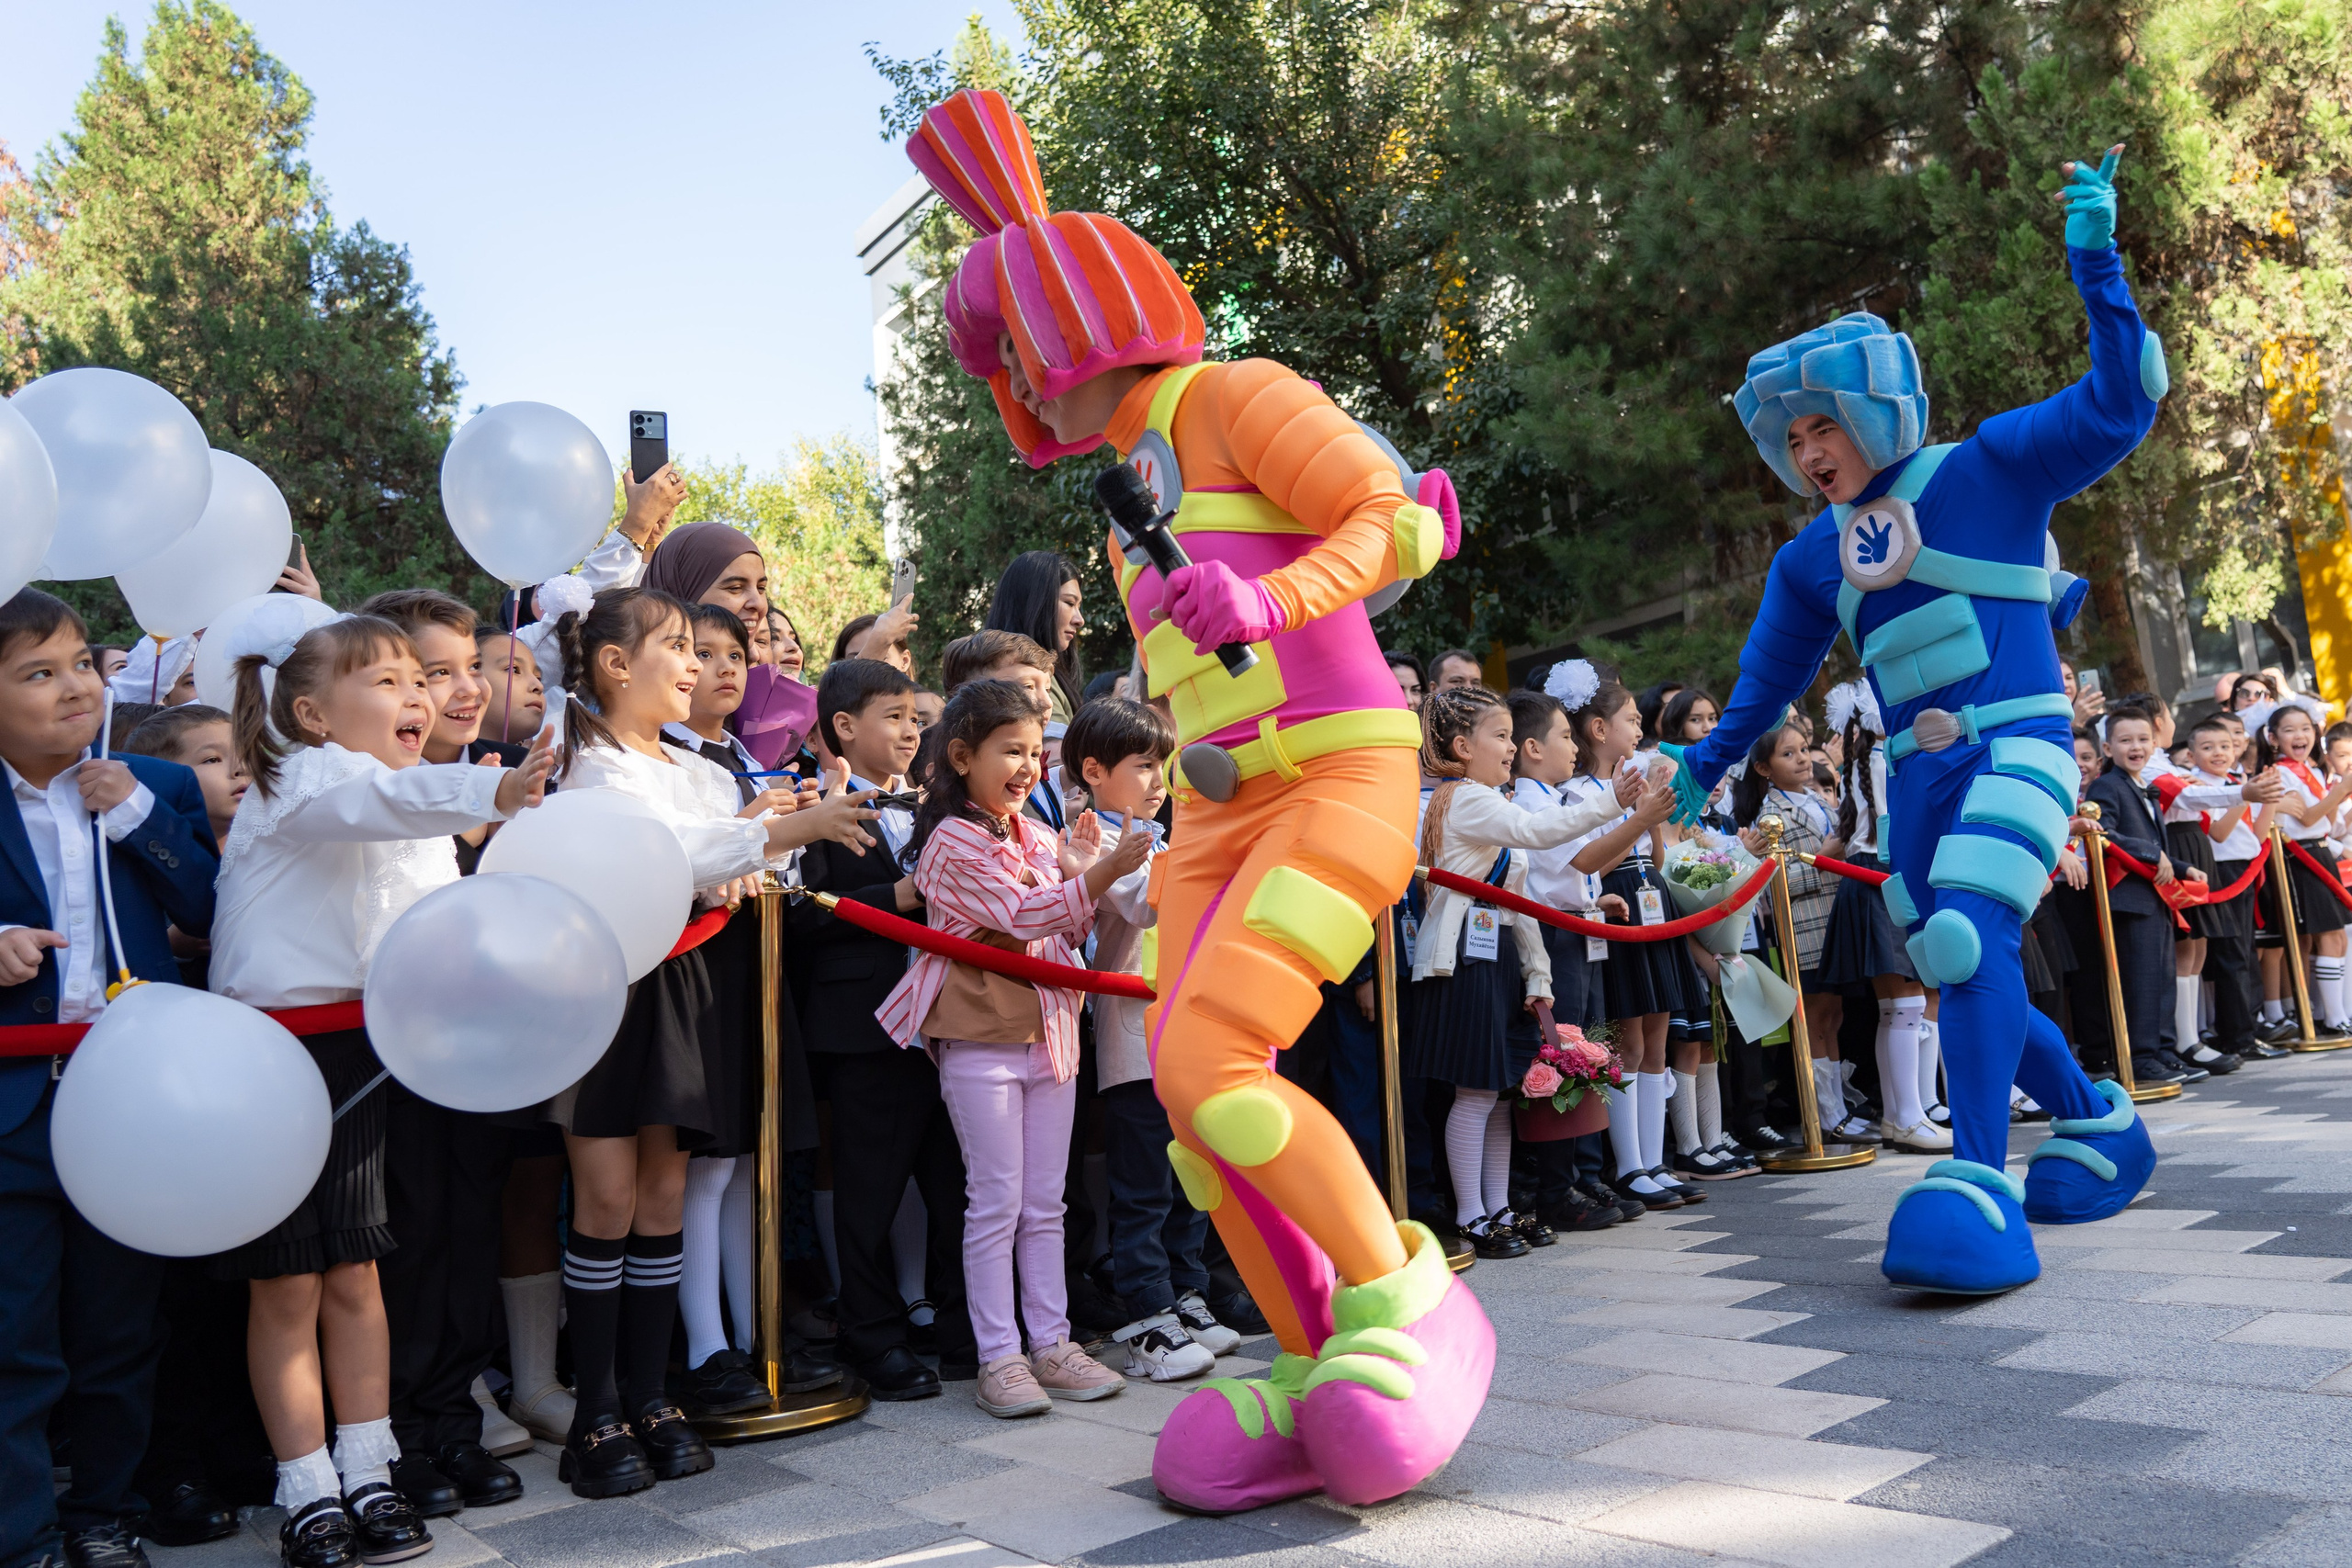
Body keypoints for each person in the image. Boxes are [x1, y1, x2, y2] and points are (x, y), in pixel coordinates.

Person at [909, 85, 1484, 1510]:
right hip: (1219, 813)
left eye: (1016, 347)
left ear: (1070, 322)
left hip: (1346, 770)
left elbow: (1404, 515)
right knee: (1186, 1096)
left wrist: (1270, 590)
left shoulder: (1237, 394)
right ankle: (1308, 1364)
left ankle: (1404, 1308)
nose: (1017, 384)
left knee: (1219, 1054)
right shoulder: (1126, 491)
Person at [1664, 145, 2165, 1293]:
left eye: (1818, 429)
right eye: (1789, 441)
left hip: (2023, 746)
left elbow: (2121, 397)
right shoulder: (1810, 560)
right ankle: (2095, 1123)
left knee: (1959, 945)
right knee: (1958, 971)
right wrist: (1705, 765)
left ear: (1868, 410)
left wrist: (2097, 263)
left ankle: (1977, 1188)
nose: (1806, 454)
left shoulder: (1984, 467)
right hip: (1918, 782)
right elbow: (1763, 684)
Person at [210, 606, 555, 1568]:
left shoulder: (412, 802)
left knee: (355, 1272)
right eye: (390, 681)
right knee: (287, 1284)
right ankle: (308, 1489)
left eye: (422, 679)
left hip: (360, 1056)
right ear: (315, 715)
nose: (419, 695)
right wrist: (498, 787)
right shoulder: (303, 781)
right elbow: (373, 806)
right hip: (277, 1059)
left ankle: (370, 1469)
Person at [534, 587, 876, 1499]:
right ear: (615, 665)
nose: (697, 665)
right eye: (678, 648)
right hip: (612, 993)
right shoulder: (590, 765)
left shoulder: (698, 772)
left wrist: (771, 835)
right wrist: (775, 833)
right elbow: (669, 860)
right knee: (605, 1200)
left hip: (689, 990)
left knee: (661, 1193)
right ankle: (595, 1413)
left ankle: (653, 1399)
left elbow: (733, 853)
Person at [0, 592, 222, 1568]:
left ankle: (104, 1516)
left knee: (120, 1327)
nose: (75, 688)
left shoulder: (154, 783)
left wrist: (135, 817)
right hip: (16, 1104)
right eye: (37, 674)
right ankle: (26, 1535)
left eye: (84, 664)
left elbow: (208, 905)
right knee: (18, 1336)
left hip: (132, 1100)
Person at [876, 679, 1147, 1416]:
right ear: (961, 756)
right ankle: (1001, 1356)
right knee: (995, 1200)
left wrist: (1078, 865)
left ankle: (1052, 1342)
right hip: (978, 1036)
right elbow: (1023, 915)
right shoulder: (947, 840)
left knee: (1045, 1202)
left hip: (1051, 1034)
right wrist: (1095, 871)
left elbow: (1065, 931)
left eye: (1035, 751)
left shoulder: (1034, 832)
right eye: (1010, 750)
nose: (1027, 765)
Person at [346, 591, 536, 1517]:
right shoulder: (363, 790)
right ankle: (406, 1436)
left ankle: (454, 1419)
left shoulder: (505, 779)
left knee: (470, 1231)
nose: (461, 689)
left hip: (483, 1048)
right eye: (431, 673)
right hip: (387, 1058)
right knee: (408, 1242)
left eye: (470, 667)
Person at [665, 604, 842, 1418]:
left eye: (738, 653)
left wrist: (797, 824)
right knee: (707, 1163)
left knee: (744, 1163)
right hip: (693, 965)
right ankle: (705, 1347)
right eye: (703, 653)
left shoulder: (743, 754)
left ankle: (754, 1330)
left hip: (754, 961)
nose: (728, 668)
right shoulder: (665, 759)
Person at [793, 657, 979, 1403]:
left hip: (948, 1023)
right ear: (844, 726)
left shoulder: (941, 805)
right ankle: (872, 1335)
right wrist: (897, 894)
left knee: (961, 1186)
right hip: (867, 1026)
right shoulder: (815, 804)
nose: (911, 731)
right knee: (869, 1193)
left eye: (915, 718)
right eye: (894, 717)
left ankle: (969, 1331)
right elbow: (800, 914)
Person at [1408, 686, 1647, 1258]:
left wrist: (1537, 976)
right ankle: (1473, 1216)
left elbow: (1518, 903)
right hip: (1464, 957)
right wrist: (1614, 799)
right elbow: (1542, 834)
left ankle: (1499, 1208)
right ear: (1462, 747)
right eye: (1499, 736)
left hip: (1498, 958)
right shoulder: (1465, 798)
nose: (1512, 747)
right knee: (1475, 1091)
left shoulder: (1487, 799)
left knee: (1496, 1094)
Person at [1064, 698, 1229, 1378]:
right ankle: (1146, 1311)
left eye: (1163, 762)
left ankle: (1186, 1292)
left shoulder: (1160, 837)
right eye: (1143, 764)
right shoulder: (1089, 839)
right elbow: (1146, 902)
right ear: (1094, 772)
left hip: (1187, 1028)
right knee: (1143, 1185)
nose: (1160, 778)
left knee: (1191, 1173)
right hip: (1132, 1036)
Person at [1503, 688, 1637, 1226]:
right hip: (1551, 939)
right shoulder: (1530, 802)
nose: (1574, 746)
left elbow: (1576, 873)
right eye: (1564, 735)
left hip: (1578, 928)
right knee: (1558, 1059)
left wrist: (1593, 896)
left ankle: (1582, 1178)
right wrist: (1639, 813)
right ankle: (1555, 1189)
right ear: (1532, 748)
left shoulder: (1554, 797)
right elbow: (1579, 856)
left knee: (1584, 1052)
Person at [1557, 671, 1691, 1208]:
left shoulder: (1632, 784)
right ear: (1597, 729)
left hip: (1649, 893)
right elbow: (1589, 863)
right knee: (1628, 1036)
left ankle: (1654, 1161)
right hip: (1613, 901)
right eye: (1631, 720)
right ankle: (1630, 1165)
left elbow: (1655, 859)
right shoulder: (1579, 795)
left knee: (1658, 1031)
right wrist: (1638, 818)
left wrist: (1654, 815)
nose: (1639, 729)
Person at [1812, 681, 1944, 1151]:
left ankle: (1903, 1115)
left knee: (1899, 1006)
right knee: (1904, 1003)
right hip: (1883, 875)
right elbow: (1896, 825)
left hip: (1874, 876)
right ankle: (1906, 1116)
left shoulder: (1866, 760)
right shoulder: (1880, 760)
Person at [2082, 707, 2205, 1083]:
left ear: (2154, 744)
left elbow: (2154, 841)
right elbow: (2104, 833)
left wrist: (2182, 868)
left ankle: (2165, 1051)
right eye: (2125, 740)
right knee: (2143, 978)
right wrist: (2155, 855)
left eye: (2142, 739)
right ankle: (2141, 1055)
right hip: (2129, 900)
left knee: (2164, 975)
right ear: (2107, 747)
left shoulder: (2141, 786)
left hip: (2156, 896)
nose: (2135, 747)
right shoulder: (2107, 786)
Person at [2258, 699, 2352, 1035]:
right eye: (2289, 730)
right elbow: (2308, 817)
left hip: (2321, 849)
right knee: (2324, 935)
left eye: (2305, 729)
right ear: (2273, 738)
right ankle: (2332, 1017)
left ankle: (2337, 1012)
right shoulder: (2280, 772)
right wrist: (2341, 789)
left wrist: (2337, 794)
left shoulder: (2311, 770)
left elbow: (2327, 818)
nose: (2300, 736)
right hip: (2301, 855)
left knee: (2336, 935)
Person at [986, 551, 1088, 722]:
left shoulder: (1050, 672)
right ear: (1035, 602)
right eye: (1069, 603)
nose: (1080, 620)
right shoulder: (1015, 673)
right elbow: (1056, 747)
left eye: (1078, 606)